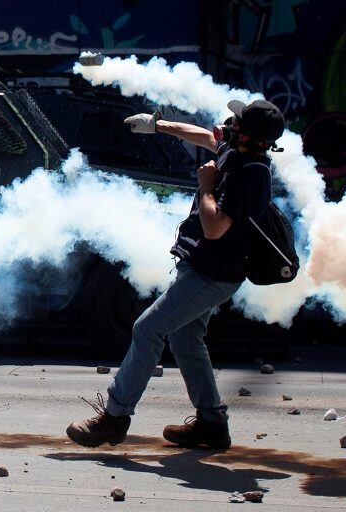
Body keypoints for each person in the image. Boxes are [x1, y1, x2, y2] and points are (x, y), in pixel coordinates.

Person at [67, 99, 286, 449]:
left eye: (238, 121)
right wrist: (158, 125)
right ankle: (211, 424)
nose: (229, 123)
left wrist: (207, 185)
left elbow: (214, 228)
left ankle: (114, 417)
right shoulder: (235, 149)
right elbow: (204, 136)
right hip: (199, 268)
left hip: (213, 276)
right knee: (185, 339)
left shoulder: (252, 174)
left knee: (147, 328)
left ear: (252, 136)